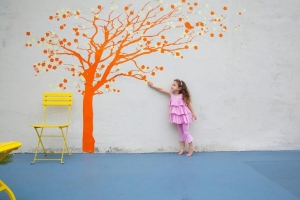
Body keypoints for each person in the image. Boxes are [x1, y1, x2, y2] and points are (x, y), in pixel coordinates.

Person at [148, 79, 197, 156]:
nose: (172, 86)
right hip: (177, 117)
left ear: (179, 88)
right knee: (181, 132)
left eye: (174, 85)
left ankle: (191, 148)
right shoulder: (172, 94)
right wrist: (153, 85)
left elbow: (188, 104)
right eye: (172, 84)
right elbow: (161, 89)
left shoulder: (182, 96)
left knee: (186, 132)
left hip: (184, 117)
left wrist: (193, 113)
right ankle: (183, 147)